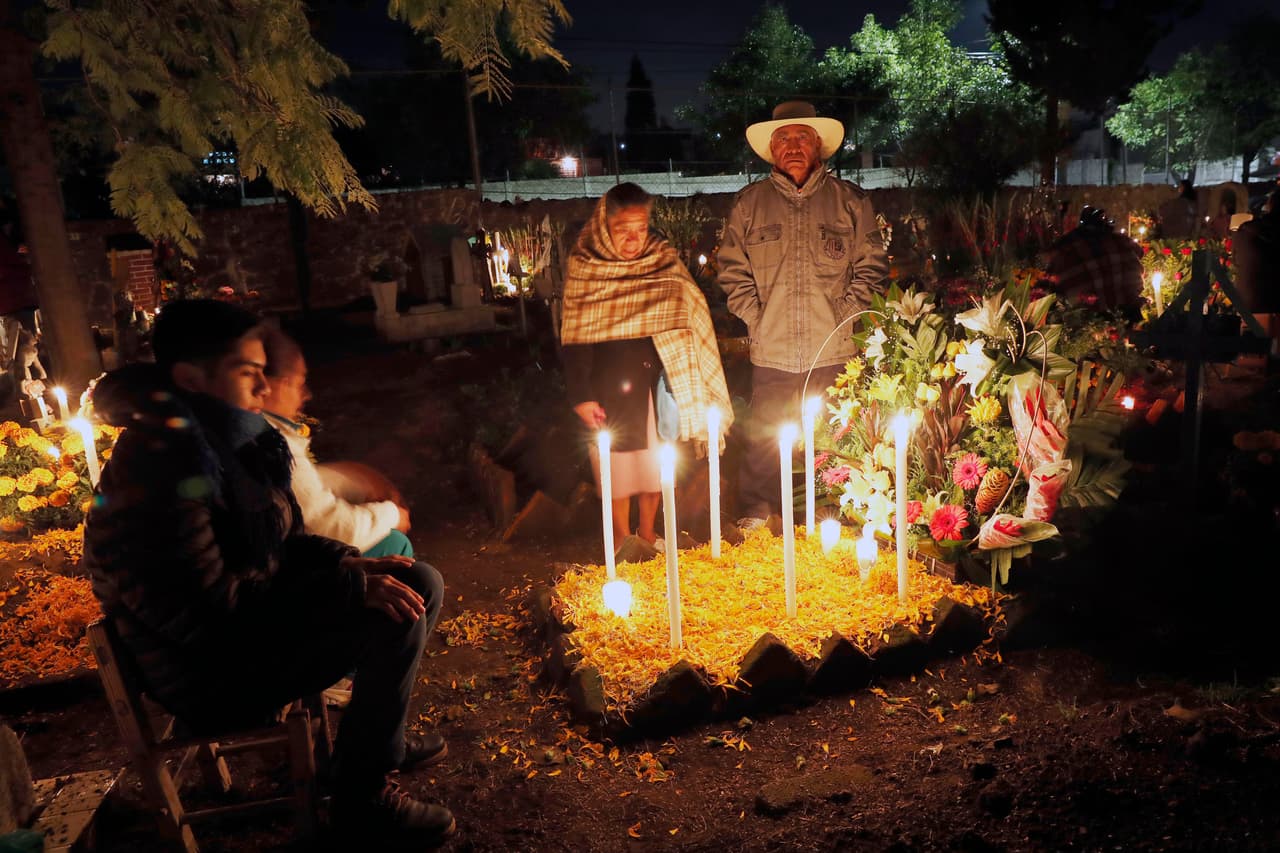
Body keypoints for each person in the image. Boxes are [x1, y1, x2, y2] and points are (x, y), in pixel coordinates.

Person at [83, 300, 455, 845]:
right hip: (206, 670)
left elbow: (284, 543)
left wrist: (345, 563)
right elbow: (210, 611)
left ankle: (371, 747)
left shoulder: (225, 442)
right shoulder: (165, 466)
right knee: (395, 617)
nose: (264, 388)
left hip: (246, 631)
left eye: (265, 372)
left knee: (417, 581)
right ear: (192, 377)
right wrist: (346, 587)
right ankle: (362, 796)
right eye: (247, 373)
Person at [718, 100, 889, 529]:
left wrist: (846, 315)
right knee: (763, 438)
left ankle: (831, 510)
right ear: (772, 150)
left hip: (833, 350)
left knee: (833, 437)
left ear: (819, 147)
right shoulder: (748, 205)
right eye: (783, 139)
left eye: (802, 138)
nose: (792, 146)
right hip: (772, 348)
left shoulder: (850, 202)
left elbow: (872, 267)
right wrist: (756, 319)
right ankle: (758, 511)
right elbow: (731, 271)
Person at [561, 182, 732, 547]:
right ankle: (623, 540)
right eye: (623, 231)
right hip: (608, 389)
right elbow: (576, 338)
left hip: (654, 384)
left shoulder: (660, 260)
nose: (633, 239)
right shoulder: (587, 267)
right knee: (618, 472)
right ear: (604, 229)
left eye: (640, 229)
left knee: (655, 466)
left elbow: (690, 306)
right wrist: (582, 395)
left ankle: (648, 532)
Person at [261, 328, 413, 558]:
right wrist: (392, 514)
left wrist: (353, 478)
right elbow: (333, 529)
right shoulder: (271, 441)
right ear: (279, 385)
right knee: (395, 544)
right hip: (282, 570)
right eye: (299, 383)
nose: (306, 395)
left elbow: (301, 487)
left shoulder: (259, 432)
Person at [1044, 206, 1143, 317]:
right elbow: (1139, 255)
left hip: (1085, 322)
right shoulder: (1122, 242)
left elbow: (1052, 287)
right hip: (1128, 316)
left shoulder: (1065, 248)